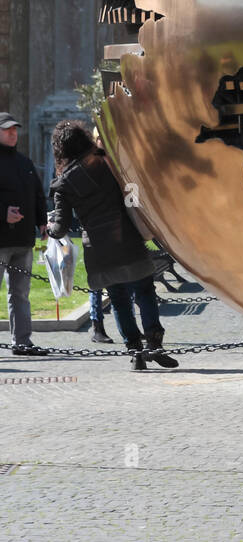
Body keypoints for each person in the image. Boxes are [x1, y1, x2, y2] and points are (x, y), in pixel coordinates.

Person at [48, 120, 177, 372]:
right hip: (126, 236)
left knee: (119, 299)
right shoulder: (106, 161)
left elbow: (60, 228)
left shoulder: (62, 184)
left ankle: (135, 352)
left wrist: (49, 228)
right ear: (84, 139)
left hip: (98, 247)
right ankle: (154, 343)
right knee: (145, 291)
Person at [0, 112, 50, 357]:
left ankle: (22, 342)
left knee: (20, 294)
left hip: (23, 242)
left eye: (15, 129)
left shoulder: (25, 162)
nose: (12, 133)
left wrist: (42, 221)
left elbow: (38, 195)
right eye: (7, 129)